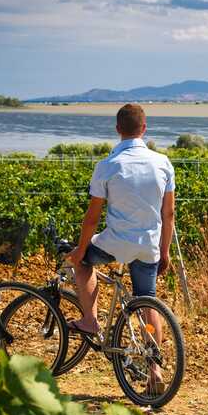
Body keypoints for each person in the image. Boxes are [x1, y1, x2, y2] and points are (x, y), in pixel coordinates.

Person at [67, 103, 175, 391]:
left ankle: (90, 321)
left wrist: (79, 250)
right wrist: (165, 252)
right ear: (144, 128)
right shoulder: (163, 163)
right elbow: (169, 215)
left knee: (84, 261)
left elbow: (92, 218)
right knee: (147, 300)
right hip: (148, 246)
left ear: (117, 130)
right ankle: (155, 370)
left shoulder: (107, 166)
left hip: (115, 244)